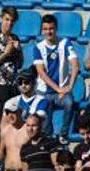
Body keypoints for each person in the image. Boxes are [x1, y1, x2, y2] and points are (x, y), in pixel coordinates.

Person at [34, 14, 79, 142]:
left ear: (56, 28)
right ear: (42, 30)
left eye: (51, 28)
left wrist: (69, 87)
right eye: (46, 29)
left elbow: (75, 65)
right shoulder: (38, 47)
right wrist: (58, 89)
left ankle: (63, 135)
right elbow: (41, 73)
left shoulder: (65, 43)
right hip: (45, 91)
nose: (49, 31)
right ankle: (48, 137)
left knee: (69, 103)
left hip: (62, 90)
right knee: (44, 111)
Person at [0, 7, 24, 129]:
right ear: (1, 19)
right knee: (0, 123)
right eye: (7, 19)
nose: (9, 23)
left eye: (12, 21)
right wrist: (6, 53)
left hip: (13, 85)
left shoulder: (15, 38)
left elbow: (20, 63)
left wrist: (18, 51)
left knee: (14, 122)